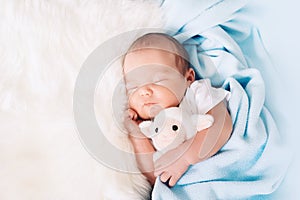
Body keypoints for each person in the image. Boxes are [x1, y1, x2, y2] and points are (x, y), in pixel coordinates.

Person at [122, 33, 233, 187]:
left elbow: (222, 126)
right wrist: (136, 135)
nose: (144, 91)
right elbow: (154, 174)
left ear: (188, 78)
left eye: (157, 80)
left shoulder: (197, 93)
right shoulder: (149, 127)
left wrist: (185, 157)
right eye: (133, 87)